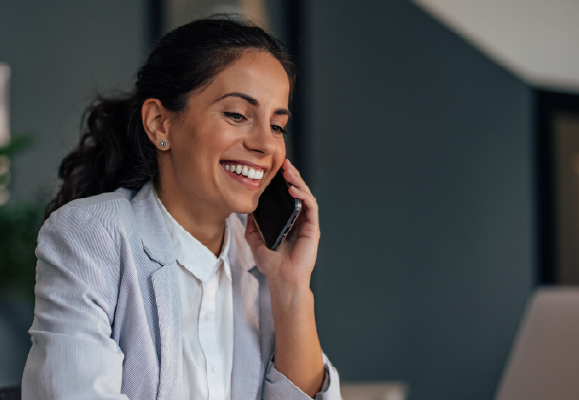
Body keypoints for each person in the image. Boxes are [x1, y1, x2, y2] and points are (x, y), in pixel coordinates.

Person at [22, 17, 342, 400]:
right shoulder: (92, 234)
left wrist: (291, 287)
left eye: (277, 126)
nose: (265, 144)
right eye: (237, 115)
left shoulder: (262, 260)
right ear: (160, 123)